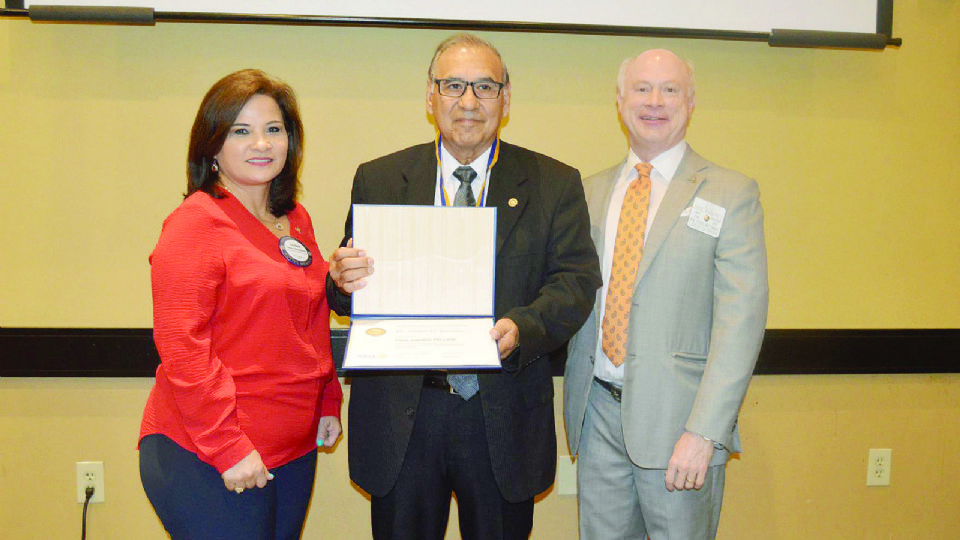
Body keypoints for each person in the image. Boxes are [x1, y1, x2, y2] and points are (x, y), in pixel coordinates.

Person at [327, 33, 601, 539]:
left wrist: (523, 326)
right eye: (454, 85)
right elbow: (351, 289)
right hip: (403, 416)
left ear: (506, 98)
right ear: (430, 96)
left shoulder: (553, 182)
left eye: (485, 86)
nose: (469, 102)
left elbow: (576, 283)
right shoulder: (381, 177)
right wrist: (341, 280)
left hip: (501, 412)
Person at [563, 49, 769, 539]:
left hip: (682, 428)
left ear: (691, 101)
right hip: (597, 420)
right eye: (641, 88)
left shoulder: (730, 193)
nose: (655, 101)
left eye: (670, 89)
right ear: (619, 101)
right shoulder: (586, 193)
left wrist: (704, 433)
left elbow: (741, 323)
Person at [138, 69, 343, 540]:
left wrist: (327, 399)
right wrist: (227, 446)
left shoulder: (293, 218)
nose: (262, 144)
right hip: (209, 452)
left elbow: (308, 317)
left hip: (293, 447)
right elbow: (182, 347)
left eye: (274, 130)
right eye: (241, 131)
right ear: (212, 146)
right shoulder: (195, 224)